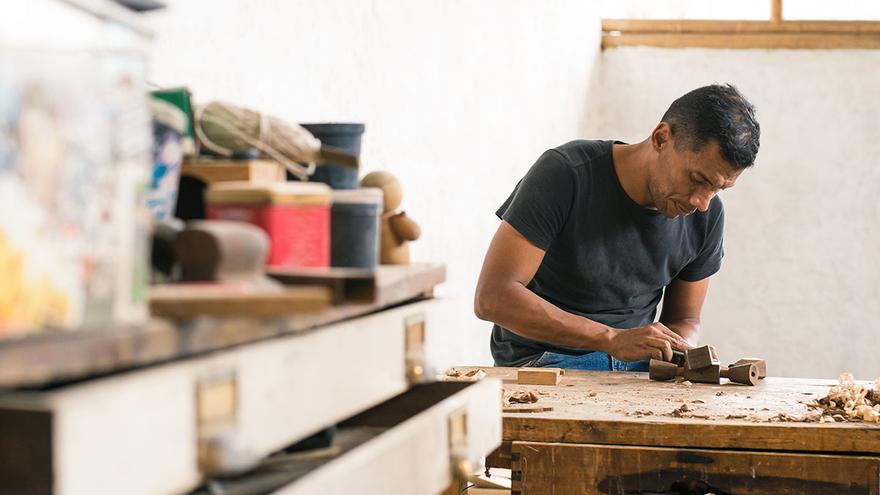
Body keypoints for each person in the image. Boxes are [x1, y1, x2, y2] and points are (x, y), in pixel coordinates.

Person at [473, 83, 760, 372]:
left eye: (719, 188)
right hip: (544, 361)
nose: (702, 202)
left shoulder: (706, 215)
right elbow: (493, 297)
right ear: (662, 139)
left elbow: (685, 320)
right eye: (698, 178)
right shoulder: (565, 174)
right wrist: (610, 339)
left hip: (637, 367)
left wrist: (678, 351)